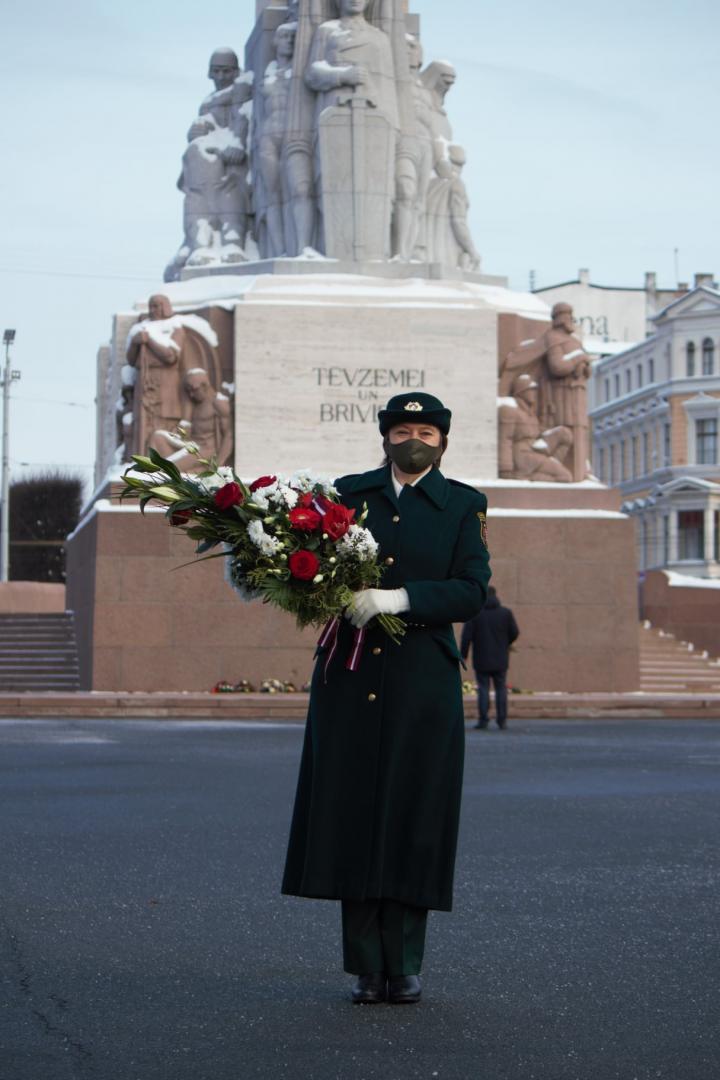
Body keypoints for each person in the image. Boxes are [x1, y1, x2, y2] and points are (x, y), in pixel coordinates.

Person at [282, 392, 491, 1005]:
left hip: (423, 680)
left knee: (412, 816)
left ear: (443, 442)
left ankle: (405, 962)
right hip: (349, 677)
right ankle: (365, 967)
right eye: (403, 429)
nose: (413, 440)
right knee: (353, 813)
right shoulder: (349, 495)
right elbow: (309, 567)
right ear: (385, 438)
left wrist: (399, 599)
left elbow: (471, 590)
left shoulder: (462, 505)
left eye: (425, 431)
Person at [460, 587, 519, 730]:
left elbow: (466, 637)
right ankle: (502, 720)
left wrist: (464, 655)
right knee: (501, 689)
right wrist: (506, 643)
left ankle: (483, 720)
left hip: (481, 658)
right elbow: (514, 632)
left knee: (483, 688)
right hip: (501, 658)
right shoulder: (505, 613)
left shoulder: (476, 615)